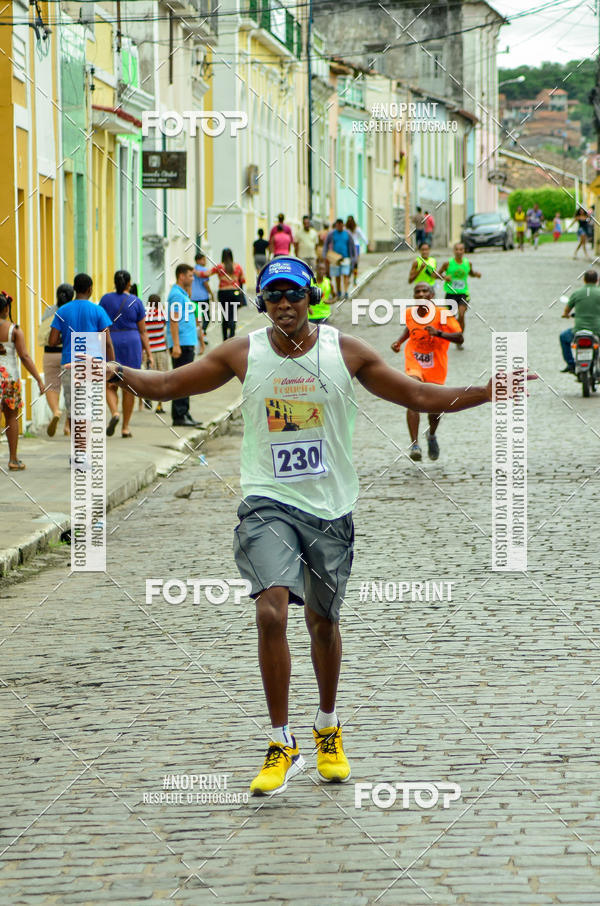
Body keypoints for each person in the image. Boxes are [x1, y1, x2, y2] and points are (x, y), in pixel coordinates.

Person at [98, 254, 533, 797]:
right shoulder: (242, 353)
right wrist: (116, 371)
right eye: (274, 295)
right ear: (262, 302)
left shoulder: (346, 352)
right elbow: (167, 384)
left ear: (311, 299)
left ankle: (327, 726)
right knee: (270, 611)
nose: (284, 304)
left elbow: (418, 394)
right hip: (268, 501)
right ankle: (281, 741)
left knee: (323, 623)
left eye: (294, 294)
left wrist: (488, 392)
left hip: (330, 507)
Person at [391, 283, 463, 460]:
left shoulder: (443, 314)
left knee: (434, 407)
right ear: (414, 296)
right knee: (412, 397)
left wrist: (438, 333)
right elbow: (410, 328)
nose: (421, 294)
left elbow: (460, 337)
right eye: (418, 291)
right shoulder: (410, 313)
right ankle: (414, 445)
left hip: (436, 365)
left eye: (425, 291)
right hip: (414, 360)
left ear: (432, 295)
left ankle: (431, 435)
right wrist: (399, 341)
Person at [48, 273, 114, 463]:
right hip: (92, 365)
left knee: (74, 409)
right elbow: (107, 342)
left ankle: (77, 451)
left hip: (70, 364)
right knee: (88, 409)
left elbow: (52, 340)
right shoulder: (98, 310)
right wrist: (113, 367)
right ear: (90, 289)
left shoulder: (63, 310)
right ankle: (83, 452)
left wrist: (66, 337)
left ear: (75, 288)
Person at [99, 270, 153, 439]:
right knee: (129, 385)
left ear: (115, 282)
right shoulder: (136, 301)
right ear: (129, 283)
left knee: (109, 383)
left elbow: (100, 323)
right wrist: (149, 353)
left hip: (111, 340)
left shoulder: (105, 300)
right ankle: (125, 428)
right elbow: (143, 331)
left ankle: (115, 412)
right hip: (132, 341)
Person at [0, 292, 45, 470]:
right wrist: (38, 380)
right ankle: (13, 459)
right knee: (11, 416)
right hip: (9, 380)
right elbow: (24, 357)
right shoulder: (14, 330)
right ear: (6, 308)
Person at [166, 263, 202, 428]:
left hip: (188, 341)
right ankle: (179, 415)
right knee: (181, 380)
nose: (193, 279)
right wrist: (176, 345)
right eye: (190, 275)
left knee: (187, 380)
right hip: (182, 343)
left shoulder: (182, 294)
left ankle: (185, 412)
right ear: (181, 276)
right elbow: (174, 320)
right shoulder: (176, 295)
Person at [38, 283, 74, 437]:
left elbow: (44, 331)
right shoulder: (73, 310)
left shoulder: (49, 310)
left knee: (52, 386)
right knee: (70, 390)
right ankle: (67, 426)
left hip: (50, 353)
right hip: (68, 354)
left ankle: (55, 411)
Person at [438, 242, 481, 342]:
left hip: (463, 293)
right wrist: (444, 277)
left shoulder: (468, 263)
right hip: (450, 294)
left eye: (461, 249)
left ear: (464, 251)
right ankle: (453, 332)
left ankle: (459, 337)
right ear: (454, 251)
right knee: (451, 318)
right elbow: (435, 274)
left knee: (461, 315)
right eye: (457, 249)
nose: (459, 252)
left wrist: (476, 274)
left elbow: (471, 273)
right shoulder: (447, 263)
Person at [559, 270, 600, 373]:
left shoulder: (577, 293)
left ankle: (571, 364)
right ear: (597, 280)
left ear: (584, 280)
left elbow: (567, 310)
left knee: (563, 337)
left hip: (578, 330)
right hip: (597, 331)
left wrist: (566, 315)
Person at [210, 249, 246, 342]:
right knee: (233, 315)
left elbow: (207, 274)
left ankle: (225, 339)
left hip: (223, 293)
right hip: (234, 293)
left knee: (225, 316)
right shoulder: (237, 266)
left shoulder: (219, 267)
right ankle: (232, 337)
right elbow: (243, 280)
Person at [144, 294, 169, 413]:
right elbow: (165, 326)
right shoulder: (162, 314)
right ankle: (159, 405)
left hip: (148, 350)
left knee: (149, 376)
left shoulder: (144, 315)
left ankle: (147, 396)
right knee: (162, 378)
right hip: (161, 349)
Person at [324, 218, 356, 301]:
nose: (339, 227)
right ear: (336, 225)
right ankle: (339, 292)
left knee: (345, 274)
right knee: (337, 275)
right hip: (335, 258)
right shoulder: (332, 234)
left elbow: (352, 246)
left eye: (341, 225)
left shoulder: (347, 234)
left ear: (343, 225)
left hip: (345, 257)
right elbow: (326, 244)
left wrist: (354, 257)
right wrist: (326, 255)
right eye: (338, 225)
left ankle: (345, 291)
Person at [192, 253, 213, 347]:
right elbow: (205, 284)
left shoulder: (192, 270)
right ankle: (203, 333)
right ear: (198, 260)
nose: (205, 262)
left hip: (193, 297)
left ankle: (198, 334)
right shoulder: (204, 270)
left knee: (196, 318)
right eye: (203, 260)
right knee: (207, 317)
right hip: (203, 297)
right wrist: (211, 293)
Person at [307, 260, 333, 325]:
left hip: (324, 314)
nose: (321, 271)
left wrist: (330, 301)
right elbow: (304, 296)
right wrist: (308, 307)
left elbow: (335, 296)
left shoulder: (328, 282)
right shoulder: (310, 282)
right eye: (319, 269)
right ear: (316, 270)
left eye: (323, 269)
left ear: (325, 271)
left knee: (323, 331)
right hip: (312, 315)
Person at [345, 216, 368, 285]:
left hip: (351, 246)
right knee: (355, 264)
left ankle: (350, 278)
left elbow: (362, 236)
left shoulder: (348, 229)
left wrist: (367, 243)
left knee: (351, 263)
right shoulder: (355, 229)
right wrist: (367, 243)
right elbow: (363, 236)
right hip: (355, 246)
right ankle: (353, 279)